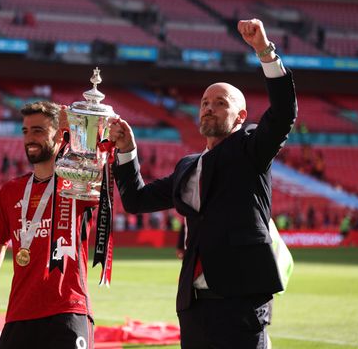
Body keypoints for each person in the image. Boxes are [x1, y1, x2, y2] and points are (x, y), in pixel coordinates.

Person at [109, 18, 297, 349]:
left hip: (241, 302)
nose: (209, 108)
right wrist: (127, 151)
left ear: (240, 117)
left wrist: (264, 52)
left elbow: (282, 113)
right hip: (194, 305)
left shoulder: (250, 148)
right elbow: (136, 200)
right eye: (204, 104)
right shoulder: (187, 167)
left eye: (220, 103)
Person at [0, 102, 98, 349]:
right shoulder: (10, 191)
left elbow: (93, 165)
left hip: (68, 311)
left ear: (59, 134)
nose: (29, 139)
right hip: (20, 315)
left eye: (38, 131)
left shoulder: (77, 185)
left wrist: (76, 128)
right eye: (25, 131)